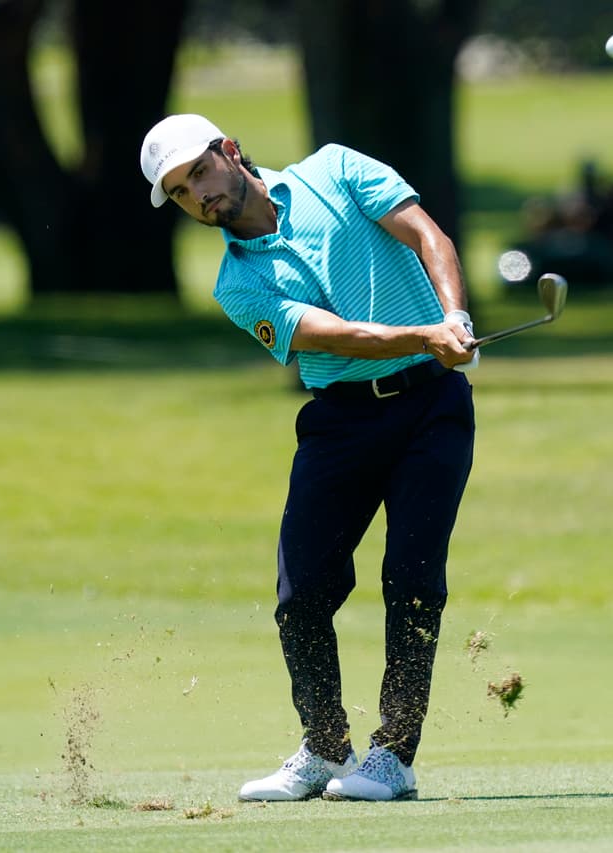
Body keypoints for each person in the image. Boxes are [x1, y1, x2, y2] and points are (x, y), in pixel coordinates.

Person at [139, 114, 478, 803]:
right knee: (301, 593)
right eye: (178, 193)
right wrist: (423, 331)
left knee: (412, 578)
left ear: (229, 151)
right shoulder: (236, 285)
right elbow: (334, 336)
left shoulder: (338, 170)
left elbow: (427, 235)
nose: (198, 196)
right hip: (340, 421)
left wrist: (456, 319)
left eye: (199, 172)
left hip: (431, 408)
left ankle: (393, 756)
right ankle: (325, 745)